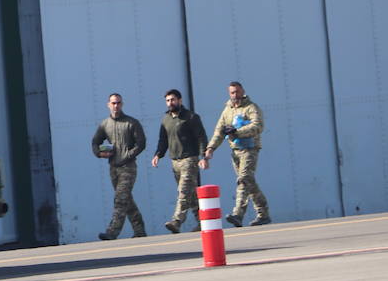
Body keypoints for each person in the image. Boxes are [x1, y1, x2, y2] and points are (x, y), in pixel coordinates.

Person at [200, 81, 272, 227]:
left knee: (243, 179)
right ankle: (263, 213)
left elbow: (258, 125)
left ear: (243, 91)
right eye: (232, 92)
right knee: (249, 182)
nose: (235, 95)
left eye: (238, 92)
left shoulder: (251, 107)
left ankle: (238, 214)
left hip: (250, 149)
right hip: (236, 151)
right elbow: (219, 131)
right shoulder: (227, 111)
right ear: (229, 93)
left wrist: (238, 132)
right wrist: (210, 149)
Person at [91, 92, 147, 240]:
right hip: (113, 167)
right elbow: (95, 142)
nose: (116, 106)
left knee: (120, 198)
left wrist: (128, 155)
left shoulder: (131, 123)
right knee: (126, 199)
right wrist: (100, 153)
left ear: (122, 104)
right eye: (113, 103)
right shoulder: (105, 124)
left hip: (128, 167)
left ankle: (112, 231)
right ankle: (139, 229)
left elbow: (141, 144)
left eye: (119, 103)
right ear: (108, 105)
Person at [150, 89, 205, 233]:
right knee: (191, 194)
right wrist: (158, 155)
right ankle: (202, 221)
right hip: (175, 161)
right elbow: (163, 139)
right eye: (168, 100)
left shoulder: (191, 117)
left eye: (173, 100)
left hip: (189, 159)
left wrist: (203, 156)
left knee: (183, 190)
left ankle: (177, 221)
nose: (170, 103)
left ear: (180, 100)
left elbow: (201, 137)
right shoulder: (166, 119)